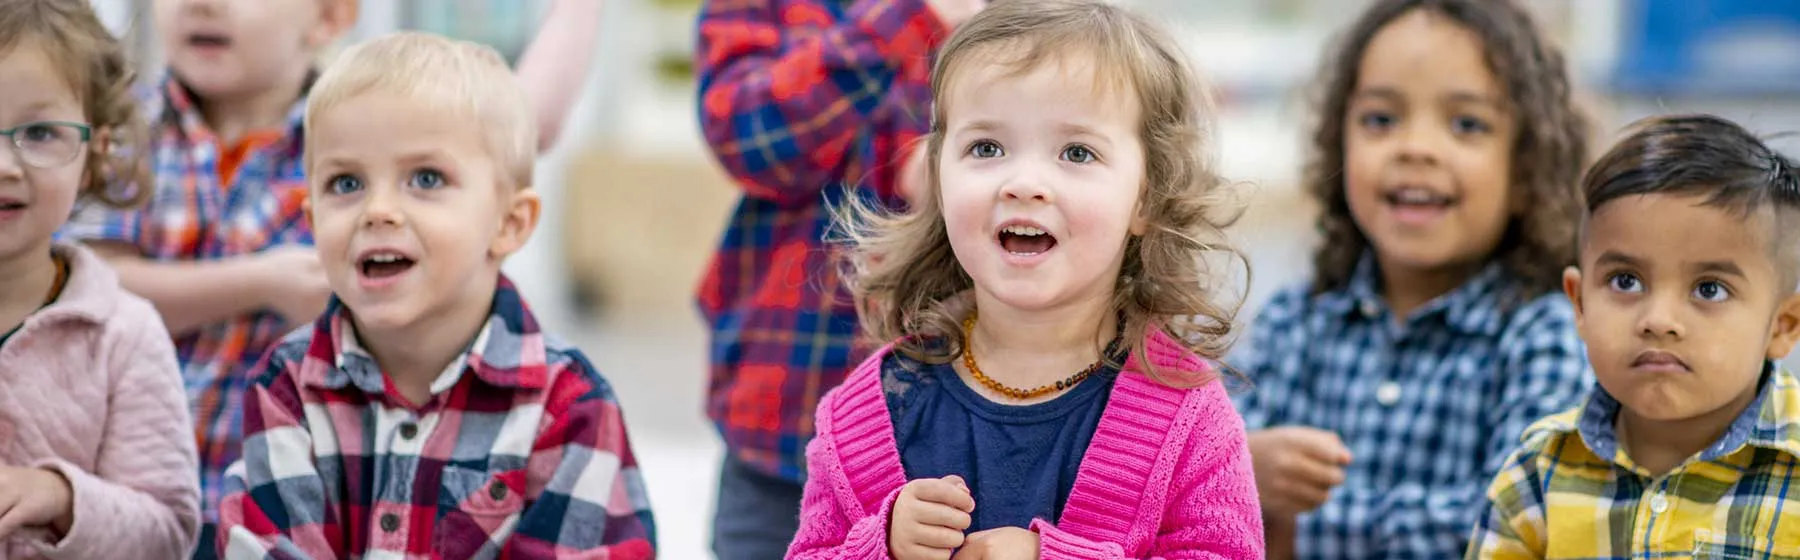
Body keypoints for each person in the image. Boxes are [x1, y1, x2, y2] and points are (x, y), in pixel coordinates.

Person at [55, 2, 604, 550]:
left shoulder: (360, 124)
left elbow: (514, 125)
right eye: (345, 185)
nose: (204, 5)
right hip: (137, 491)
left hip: (310, 488)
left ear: (329, 19)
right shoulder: (127, 129)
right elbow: (94, 284)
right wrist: (261, 282)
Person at [785, 1, 1263, 557]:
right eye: (986, 147)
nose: (1025, 182)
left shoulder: (1190, 418)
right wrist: (882, 545)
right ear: (938, 179)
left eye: (1076, 152)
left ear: (1146, 199)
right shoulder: (868, 410)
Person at [213, 32, 655, 558]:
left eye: (425, 177)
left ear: (509, 224)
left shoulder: (569, 409)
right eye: (346, 183)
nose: (378, 210)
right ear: (311, 222)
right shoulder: (285, 389)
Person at [1227, 0, 1595, 557]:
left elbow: (1514, 523)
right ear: (1338, 142)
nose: (1416, 148)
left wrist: (1285, 518)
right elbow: (1193, 487)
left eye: (1466, 124)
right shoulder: (1293, 320)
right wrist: (1237, 468)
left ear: (1527, 171)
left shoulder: (1545, 336)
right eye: (1381, 119)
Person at [692, 0, 986, 555]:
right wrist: (913, 15)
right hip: (786, 413)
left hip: (968, 426)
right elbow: (750, 141)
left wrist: (953, 166)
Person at [1469, 114, 1800, 558]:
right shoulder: (1538, 473)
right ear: (1580, 304)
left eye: (1709, 289)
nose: (1659, 320)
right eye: (1626, 281)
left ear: (1782, 326)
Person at [0, 1, 200, 557]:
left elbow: (169, 531)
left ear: (95, 153)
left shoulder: (125, 334)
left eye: (39, 132)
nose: (4, 166)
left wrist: (61, 495)